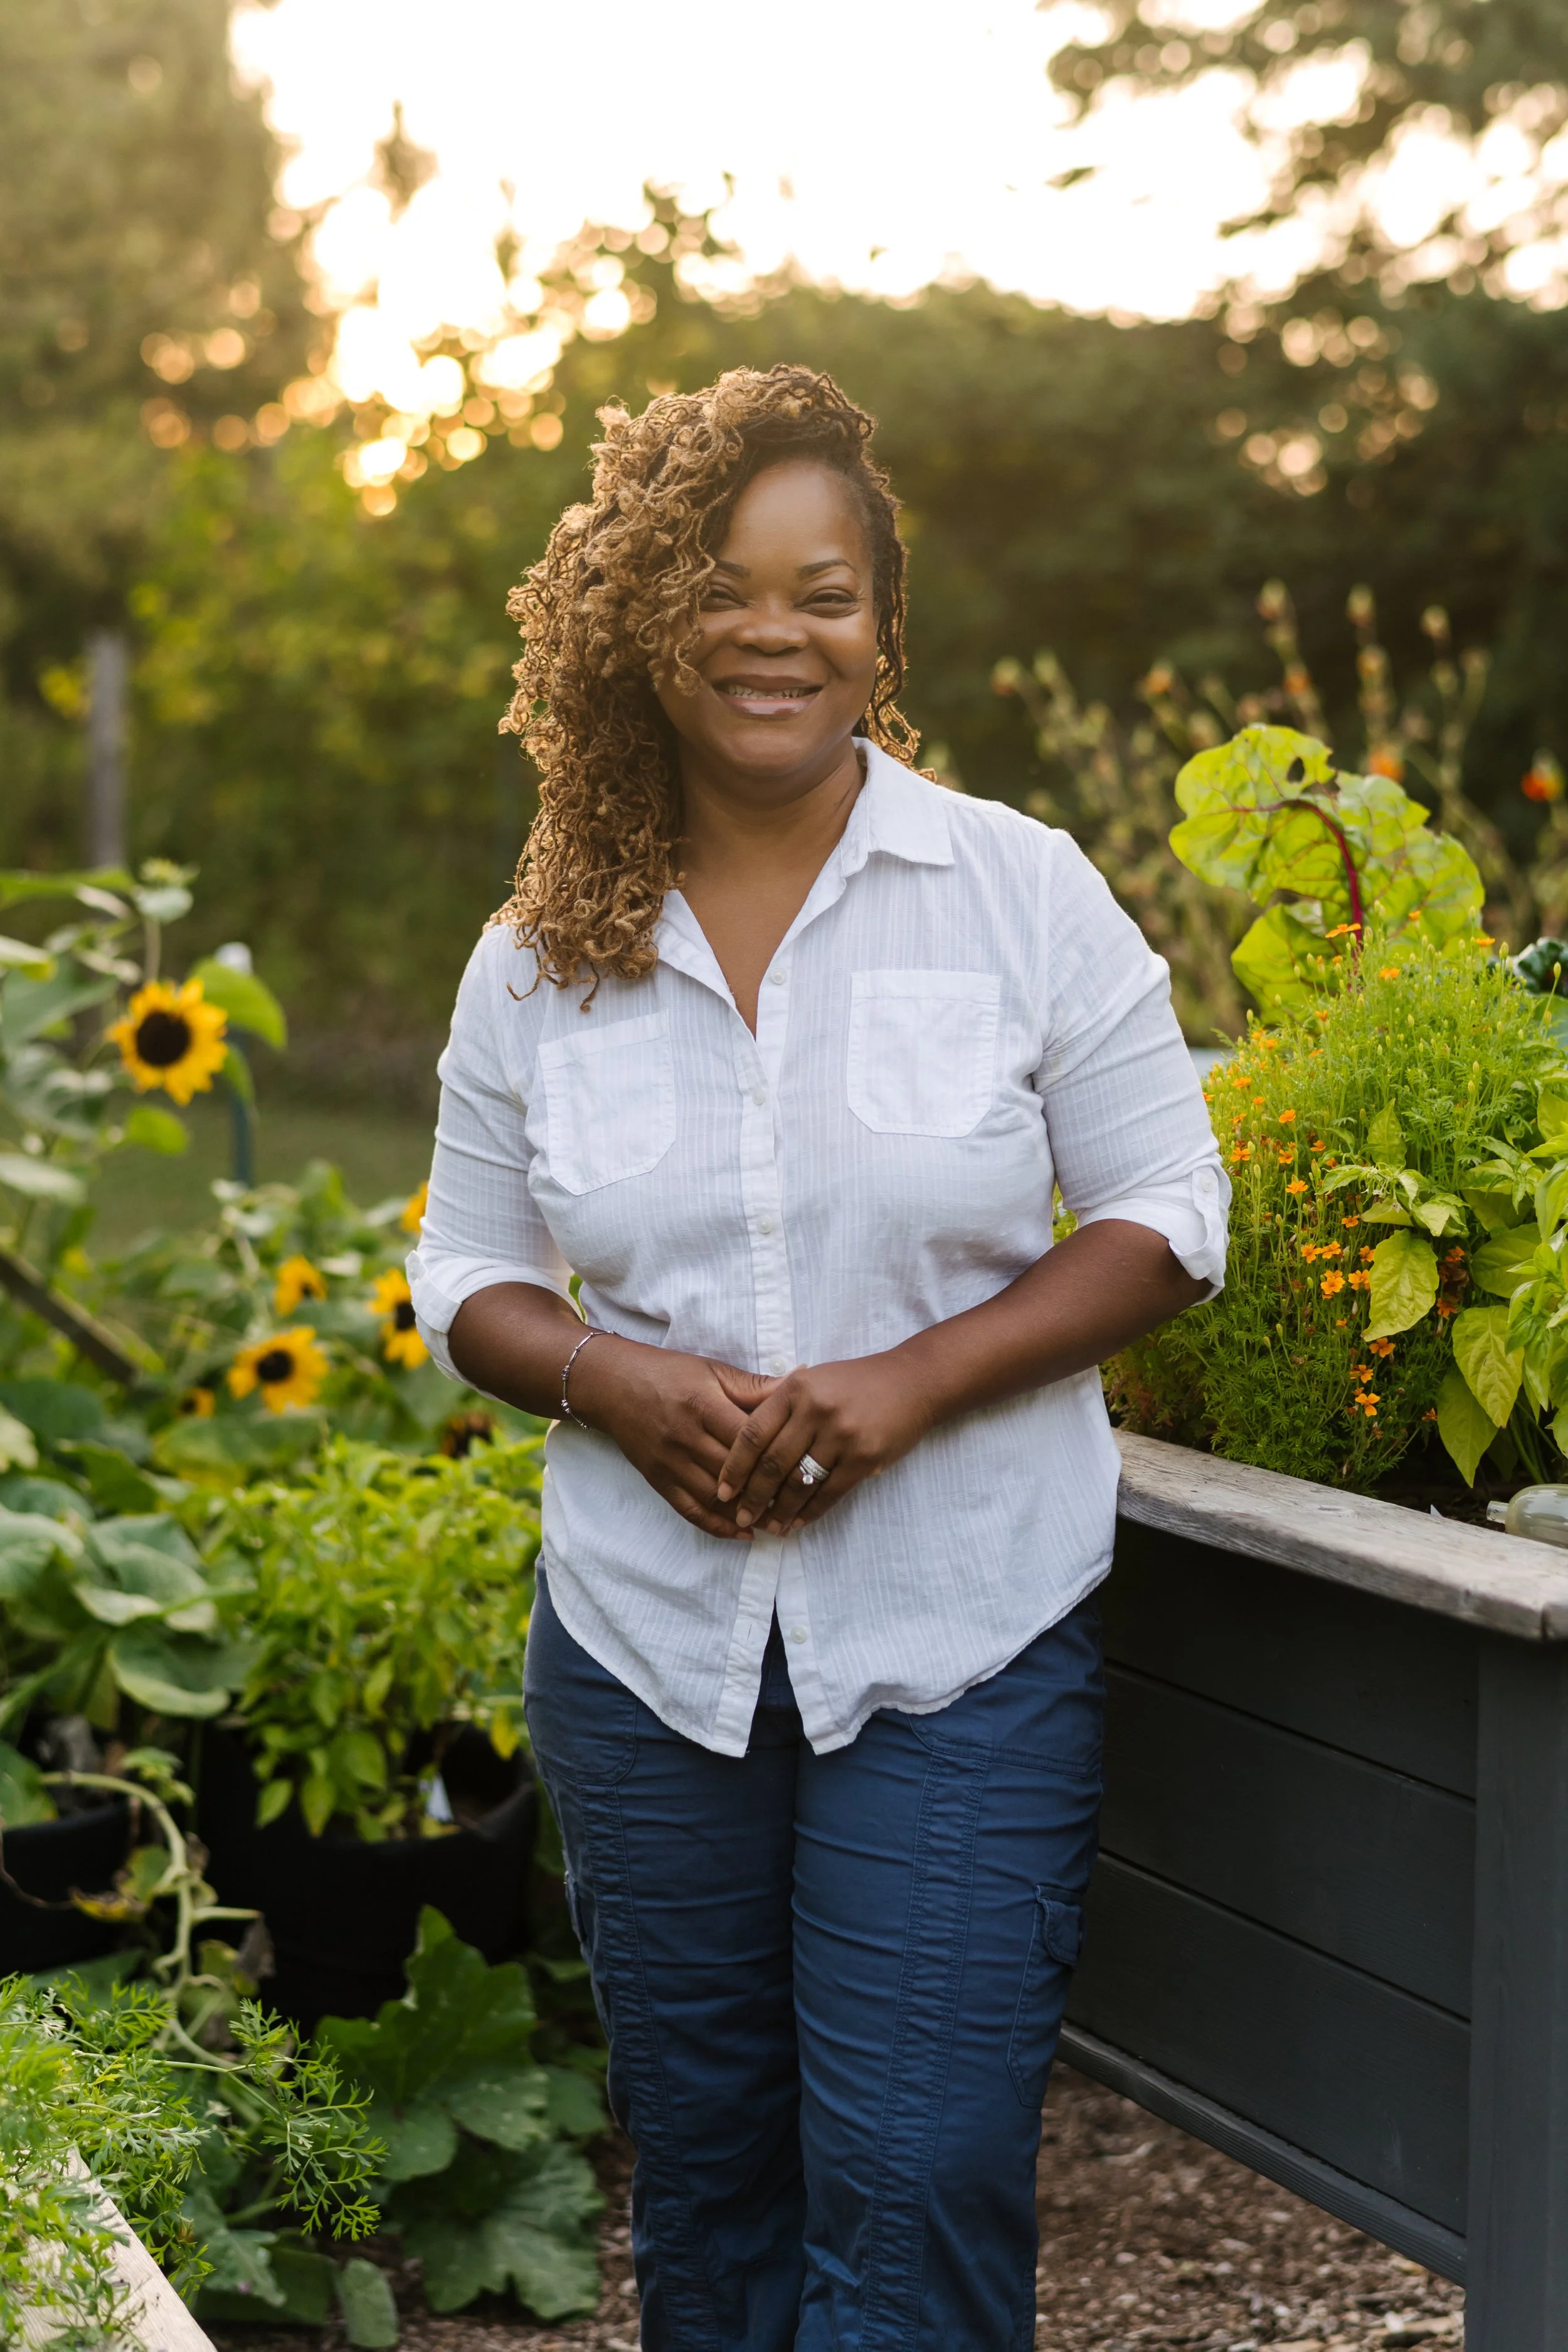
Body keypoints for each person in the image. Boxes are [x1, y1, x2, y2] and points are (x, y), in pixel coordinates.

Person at [410, 363, 1228, 2352]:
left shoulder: (1016, 892)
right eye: (722, 583)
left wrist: (906, 1384)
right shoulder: (542, 945)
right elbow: (466, 1268)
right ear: (635, 616)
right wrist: (610, 1381)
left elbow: (1164, 1218)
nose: (777, 631)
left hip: (955, 1629)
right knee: (711, 2185)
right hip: (640, 1654)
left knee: (921, 2168)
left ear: (880, 621)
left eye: (826, 589)